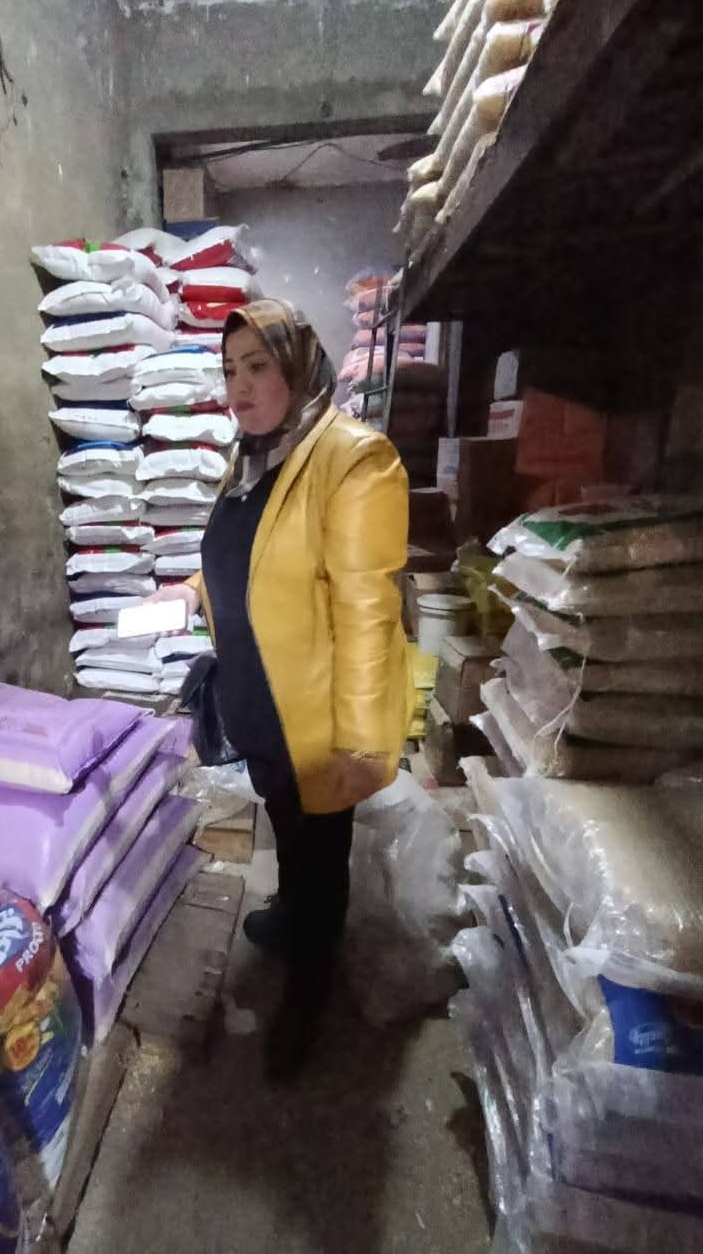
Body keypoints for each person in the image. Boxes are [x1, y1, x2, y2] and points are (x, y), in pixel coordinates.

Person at [154, 298, 413, 1079]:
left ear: (298, 367)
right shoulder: (251, 461)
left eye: (258, 365)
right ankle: (293, 913)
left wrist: (359, 744)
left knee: (320, 851)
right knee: (286, 827)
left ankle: (308, 989)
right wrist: (193, 591)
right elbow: (245, 556)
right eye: (230, 369)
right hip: (258, 699)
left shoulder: (353, 460)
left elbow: (368, 613)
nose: (239, 386)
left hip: (317, 719)